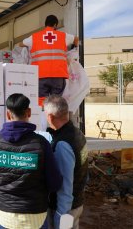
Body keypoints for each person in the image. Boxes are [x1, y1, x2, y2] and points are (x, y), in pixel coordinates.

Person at [0, 93, 62, 229]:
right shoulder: (41, 144)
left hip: (3, 217)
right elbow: (54, 183)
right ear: (29, 112)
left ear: (8, 115)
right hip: (35, 217)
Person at [43, 95, 88, 229]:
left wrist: (61, 218)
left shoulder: (63, 145)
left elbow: (65, 186)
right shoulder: (77, 133)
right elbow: (85, 171)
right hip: (76, 203)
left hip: (65, 210)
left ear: (50, 117)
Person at [18, 15, 79, 106]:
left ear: (45, 24)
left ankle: (43, 119)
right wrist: (75, 50)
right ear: (55, 25)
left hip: (41, 75)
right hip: (58, 75)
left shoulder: (34, 37)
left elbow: (20, 44)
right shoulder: (63, 36)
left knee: (42, 102)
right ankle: (54, 118)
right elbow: (76, 39)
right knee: (56, 103)